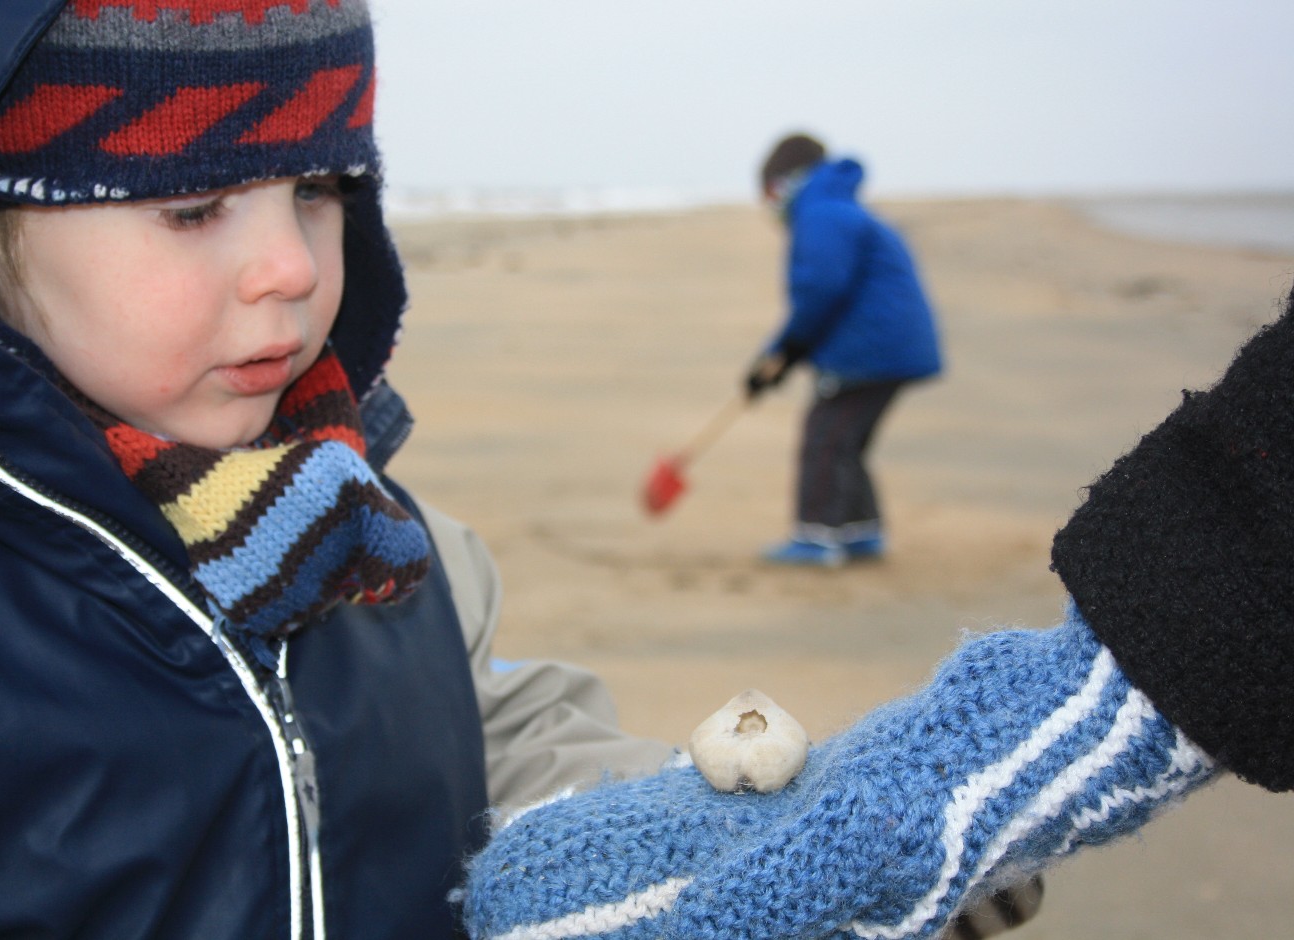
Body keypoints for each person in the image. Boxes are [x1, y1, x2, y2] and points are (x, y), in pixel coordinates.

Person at [0, 5, 1043, 938]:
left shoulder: (392, 544)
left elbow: (497, 754)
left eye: (321, 191)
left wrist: (745, 833)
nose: (288, 266)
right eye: (194, 207)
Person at [458, 292, 1294, 939]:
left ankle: (831, 534)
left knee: (831, 439)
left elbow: (499, 722)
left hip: (863, 354)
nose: (314, 269)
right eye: (312, 185)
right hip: (877, 353)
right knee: (837, 441)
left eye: (328, 195)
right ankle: (844, 530)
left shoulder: (431, 567)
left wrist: (712, 816)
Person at [745, 133, 943, 567]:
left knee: (825, 438)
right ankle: (860, 533)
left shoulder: (821, 214)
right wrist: (774, 358)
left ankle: (817, 538)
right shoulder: (836, 208)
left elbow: (819, 290)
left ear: (785, 182)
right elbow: (823, 297)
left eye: (768, 193)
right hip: (886, 346)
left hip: (872, 351)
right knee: (847, 441)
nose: (769, 206)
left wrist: (787, 352)